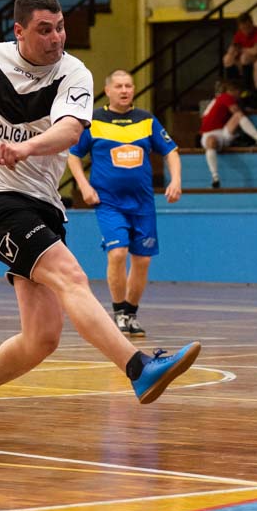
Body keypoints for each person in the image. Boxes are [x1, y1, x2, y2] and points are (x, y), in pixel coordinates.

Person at [0, 0, 200, 445]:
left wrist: (25, 148)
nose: (56, 37)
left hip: (44, 205)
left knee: (42, 338)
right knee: (70, 275)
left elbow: (70, 131)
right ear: (19, 32)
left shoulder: (72, 72)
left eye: (59, 27)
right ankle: (139, 367)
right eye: (44, 29)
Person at [66, 70, 182, 337]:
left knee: (142, 261)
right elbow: (73, 156)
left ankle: (131, 313)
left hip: (142, 204)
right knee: (118, 253)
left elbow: (171, 151)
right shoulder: (94, 120)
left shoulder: (146, 120)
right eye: (118, 86)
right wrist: (84, 186)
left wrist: (175, 180)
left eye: (128, 86)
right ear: (108, 90)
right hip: (109, 203)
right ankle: (118, 311)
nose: (124, 90)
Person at [199, 78, 257, 187]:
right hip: (210, 134)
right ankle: (215, 176)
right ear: (232, 90)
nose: (239, 95)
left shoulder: (220, 98)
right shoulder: (226, 97)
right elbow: (235, 110)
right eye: (238, 92)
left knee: (238, 116)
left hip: (223, 132)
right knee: (211, 141)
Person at [222, 12, 257, 83]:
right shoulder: (239, 33)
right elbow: (233, 47)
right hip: (243, 57)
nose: (245, 31)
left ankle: (246, 85)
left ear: (251, 24)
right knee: (227, 58)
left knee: (244, 57)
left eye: (248, 27)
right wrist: (232, 52)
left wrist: (241, 49)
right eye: (243, 28)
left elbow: (255, 51)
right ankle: (232, 84)